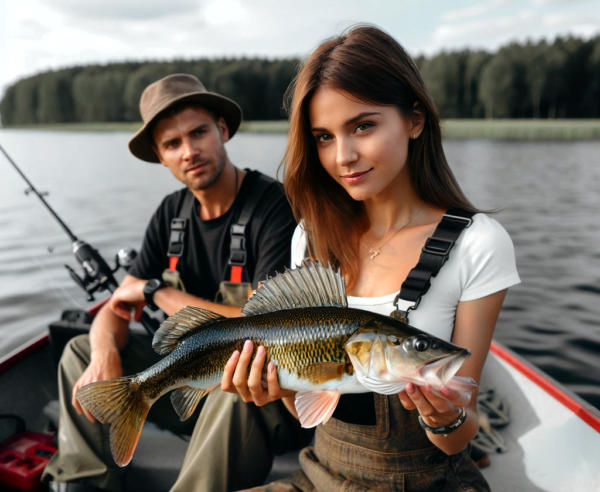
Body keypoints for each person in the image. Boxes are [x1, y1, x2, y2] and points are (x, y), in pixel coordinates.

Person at [221, 25, 520, 491]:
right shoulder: (310, 237)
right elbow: (310, 402)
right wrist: (270, 391)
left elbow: (461, 433)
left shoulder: (478, 244)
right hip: (320, 473)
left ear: (414, 120)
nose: (343, 156)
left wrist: (444, 418)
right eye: (323, 136)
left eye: (363, 125)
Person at [43, 74, 309, 492]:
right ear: (160, 156)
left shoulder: (274, 207)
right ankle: (81, 484)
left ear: (222, 129)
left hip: (265, 396)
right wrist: (103, 353)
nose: (189, 151)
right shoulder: (171, 214)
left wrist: (156, 291)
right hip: (187, 391)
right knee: (80, 349)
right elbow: (116, 308)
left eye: (198, 132)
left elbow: (267, 327)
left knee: (233, 374)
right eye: (172, 144)